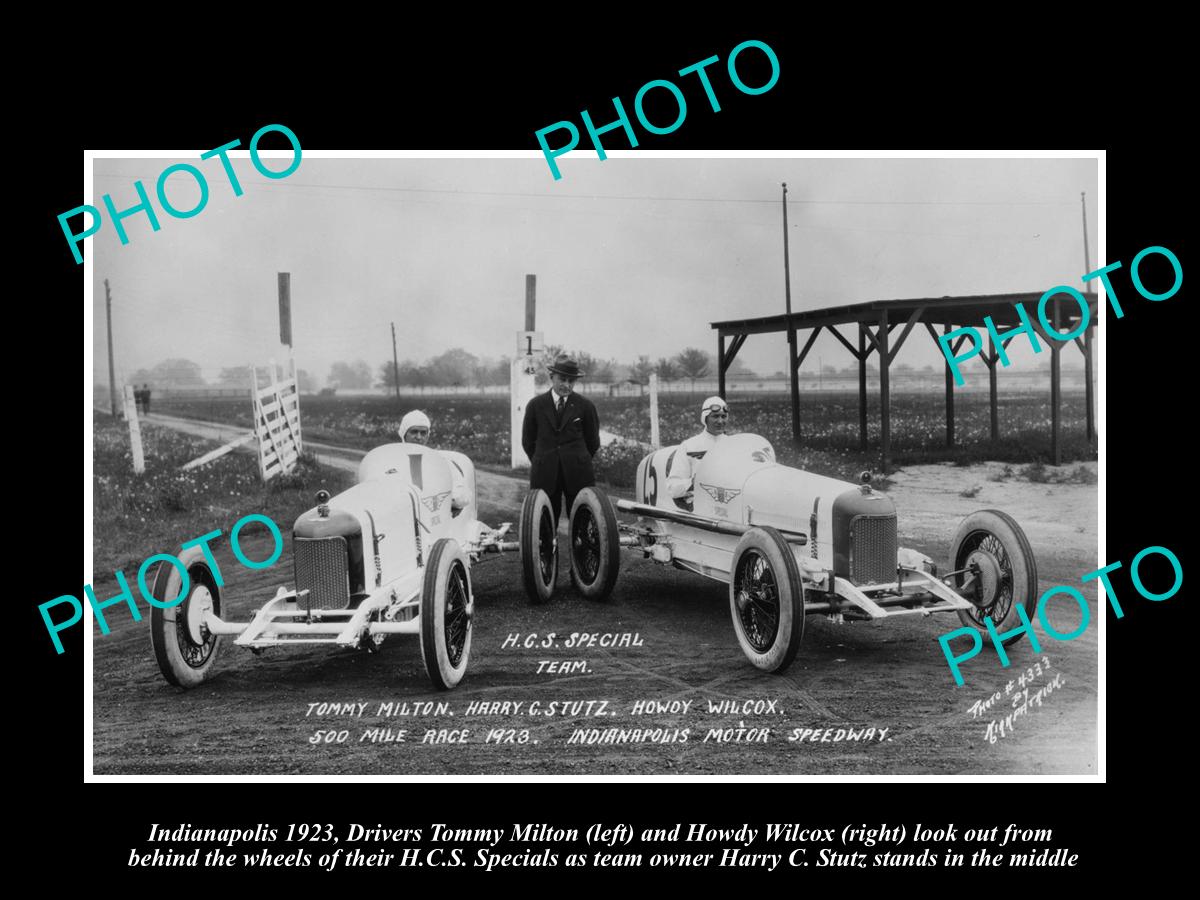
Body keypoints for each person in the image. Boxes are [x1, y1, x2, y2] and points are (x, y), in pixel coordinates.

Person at [522, 352, 601, 521]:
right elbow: (528, 442)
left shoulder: (585, 406)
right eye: (562, 379)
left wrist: (578, 460)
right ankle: (550, 547)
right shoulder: (536, 406)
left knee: (583, 519)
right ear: (552, 377)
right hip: (545, 474)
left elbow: (593, 442)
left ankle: (580, 548)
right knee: (544, 521)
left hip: (578, 473)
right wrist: (542, 460)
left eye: (571, 381)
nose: (566, 385)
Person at [397, 409, 467, 511]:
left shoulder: (440, 461)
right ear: (404, 433)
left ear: (428, 435)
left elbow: (461, 496)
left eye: (423, 433)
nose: (418, 437)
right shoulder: (392, 459)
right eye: (414, 432)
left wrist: (443, 501)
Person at [666, 395, 729, 503]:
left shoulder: (733, 445)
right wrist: (694, 483)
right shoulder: (688, 446)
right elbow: (672, 488)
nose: (720, 421)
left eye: (723, 416)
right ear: (705, 418)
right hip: (700, 507)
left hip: (731, 504)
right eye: (715, 416)